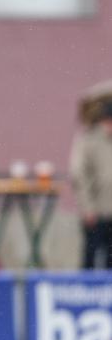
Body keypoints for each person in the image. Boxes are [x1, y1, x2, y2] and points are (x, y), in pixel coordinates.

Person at [70, 101, 112, 269]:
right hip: (96, 210)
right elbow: (79, 175)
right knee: (91, 254)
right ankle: (85, 290)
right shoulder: (89, 140)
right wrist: (87, 208)